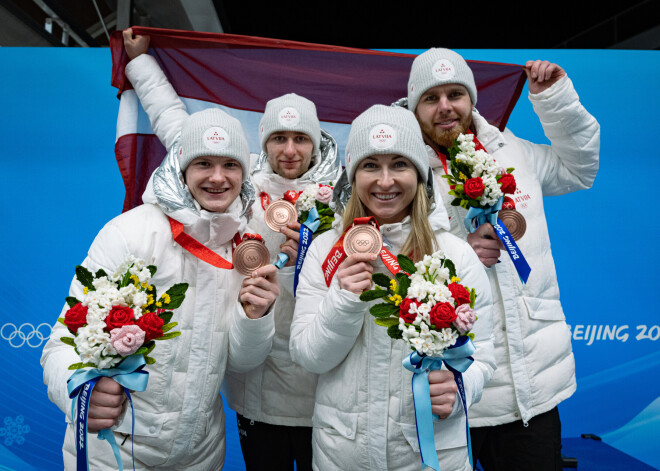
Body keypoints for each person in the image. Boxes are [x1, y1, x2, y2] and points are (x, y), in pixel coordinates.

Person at [122, 29, 342, 470]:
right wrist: (140, 63)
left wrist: (321, 257)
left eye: (301, 138)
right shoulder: (237, 194)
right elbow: (176, 127)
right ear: (262, 141)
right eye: (279, 137)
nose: (290, 149)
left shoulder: (343, 198)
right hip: (255, 387)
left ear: (317, 142)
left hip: (324, 389)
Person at [40, 108, 279, 470]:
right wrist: (80, 394)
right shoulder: (129, 233)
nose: (217, 177)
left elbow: (241, 363)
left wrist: (255, 317)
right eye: (203, 164)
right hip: (116, 448)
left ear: (244, 172)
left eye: (230, 165)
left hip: (201, 452)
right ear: (181, 168)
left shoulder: (246, 246)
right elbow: (60, 344)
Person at [406, 48, 600, 470]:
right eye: (431, 97)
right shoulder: (401, 170)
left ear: (472, 99)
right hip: (444, 390)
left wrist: (554, 99)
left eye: (455, 93)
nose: (445, 107)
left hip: (528, 391)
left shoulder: (511, 150)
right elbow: (389, 258)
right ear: (413, 107)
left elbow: (579, 168)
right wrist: (462, 254)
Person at [289, 104, 495, 470]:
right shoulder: (326, 251)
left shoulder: (455, 253)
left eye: (399, 164)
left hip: (430, 455)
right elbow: (308, 357)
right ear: (353, 176)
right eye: (370, 165)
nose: (385, 181)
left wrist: (461, 390)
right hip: (344, 454)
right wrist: (345, 300)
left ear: (419, 174)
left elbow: (485, 356)